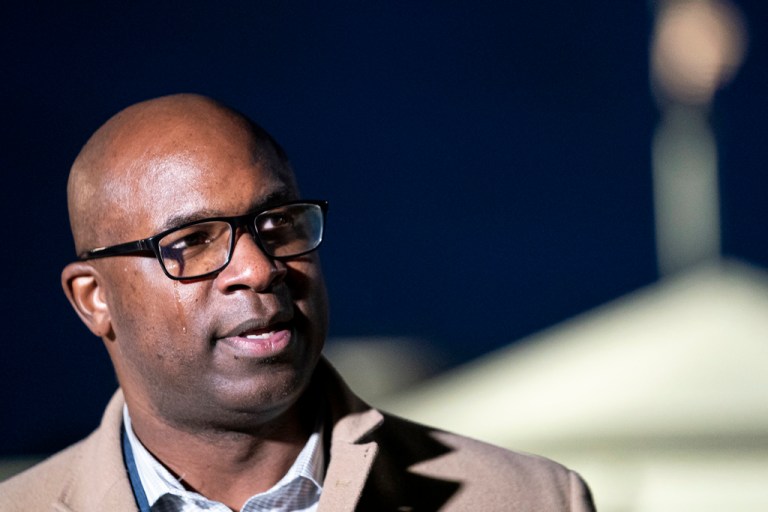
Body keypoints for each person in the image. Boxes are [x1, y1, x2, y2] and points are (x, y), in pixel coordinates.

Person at [0, 94, 595, 511]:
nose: (259, 268)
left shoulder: (533, 501)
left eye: (278, 223)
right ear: (94, 299)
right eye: (192, 241)